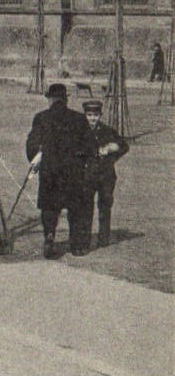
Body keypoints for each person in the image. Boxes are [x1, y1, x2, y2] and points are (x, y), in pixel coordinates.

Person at [26, 82, 95, 258]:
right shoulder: (79, 119)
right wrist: (83, 162)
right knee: (75, 208)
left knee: (49, 208)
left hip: (50, 172)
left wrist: (36, 160)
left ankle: (49, 236)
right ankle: (76, 245)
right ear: (65, 99)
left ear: (50, 99)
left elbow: (31, 145)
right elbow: (91, 147)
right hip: (74, 172)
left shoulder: (41, 118)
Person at [83, 99, 129, 248]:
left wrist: (112, 148)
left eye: (95, 115)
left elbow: (124, 146)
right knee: (86, 207)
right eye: (89, 115)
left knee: (105, 206)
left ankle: (103, 238)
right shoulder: (80, 132)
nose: (92, 118)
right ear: (85, 115)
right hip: (88, 175)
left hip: (106, 176)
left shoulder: (108, 131)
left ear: (100, 115)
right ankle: (85, 238)